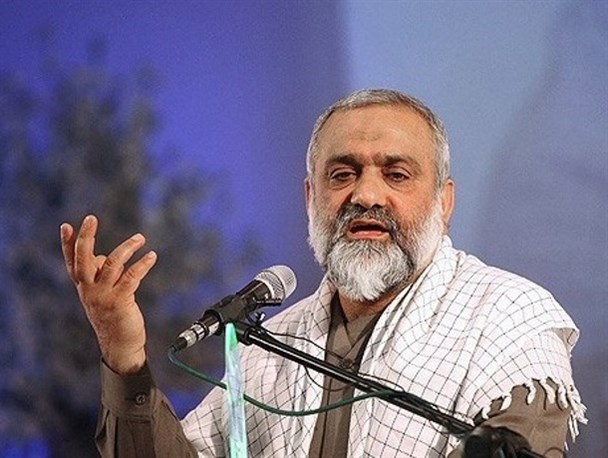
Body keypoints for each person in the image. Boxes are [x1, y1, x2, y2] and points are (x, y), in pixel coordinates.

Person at [60, 89, 586, 457]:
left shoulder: (509, 316)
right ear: (311, 198)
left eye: (396, 174)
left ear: (443, 202)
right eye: (342, 174)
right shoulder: (271, 348)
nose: (366, 194)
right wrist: (124, 355)